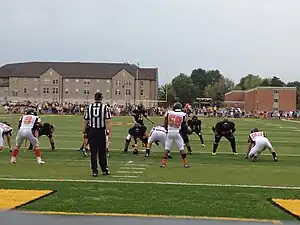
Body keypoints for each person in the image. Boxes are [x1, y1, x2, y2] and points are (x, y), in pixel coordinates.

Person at [83, 92, 112, 177]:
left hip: (92, 131)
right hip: (100, 131)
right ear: (101, 98)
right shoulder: (105, 107)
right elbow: (108, 121)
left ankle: (94, 170)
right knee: (102, 151)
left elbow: (85, 120)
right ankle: (104, 169)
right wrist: (109, 132)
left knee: (93, 151)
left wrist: (84, 131)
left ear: (94, 98)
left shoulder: (89, 107)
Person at [161, 102, 189, 168]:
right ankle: (185, 164)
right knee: (181, 148)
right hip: (177, 132)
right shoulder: (183, 114)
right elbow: (184, 124)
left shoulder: (169, 112)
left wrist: (166, 128)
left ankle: (163, 163)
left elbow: (165, 122)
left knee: (167, 148)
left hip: (170, 132)